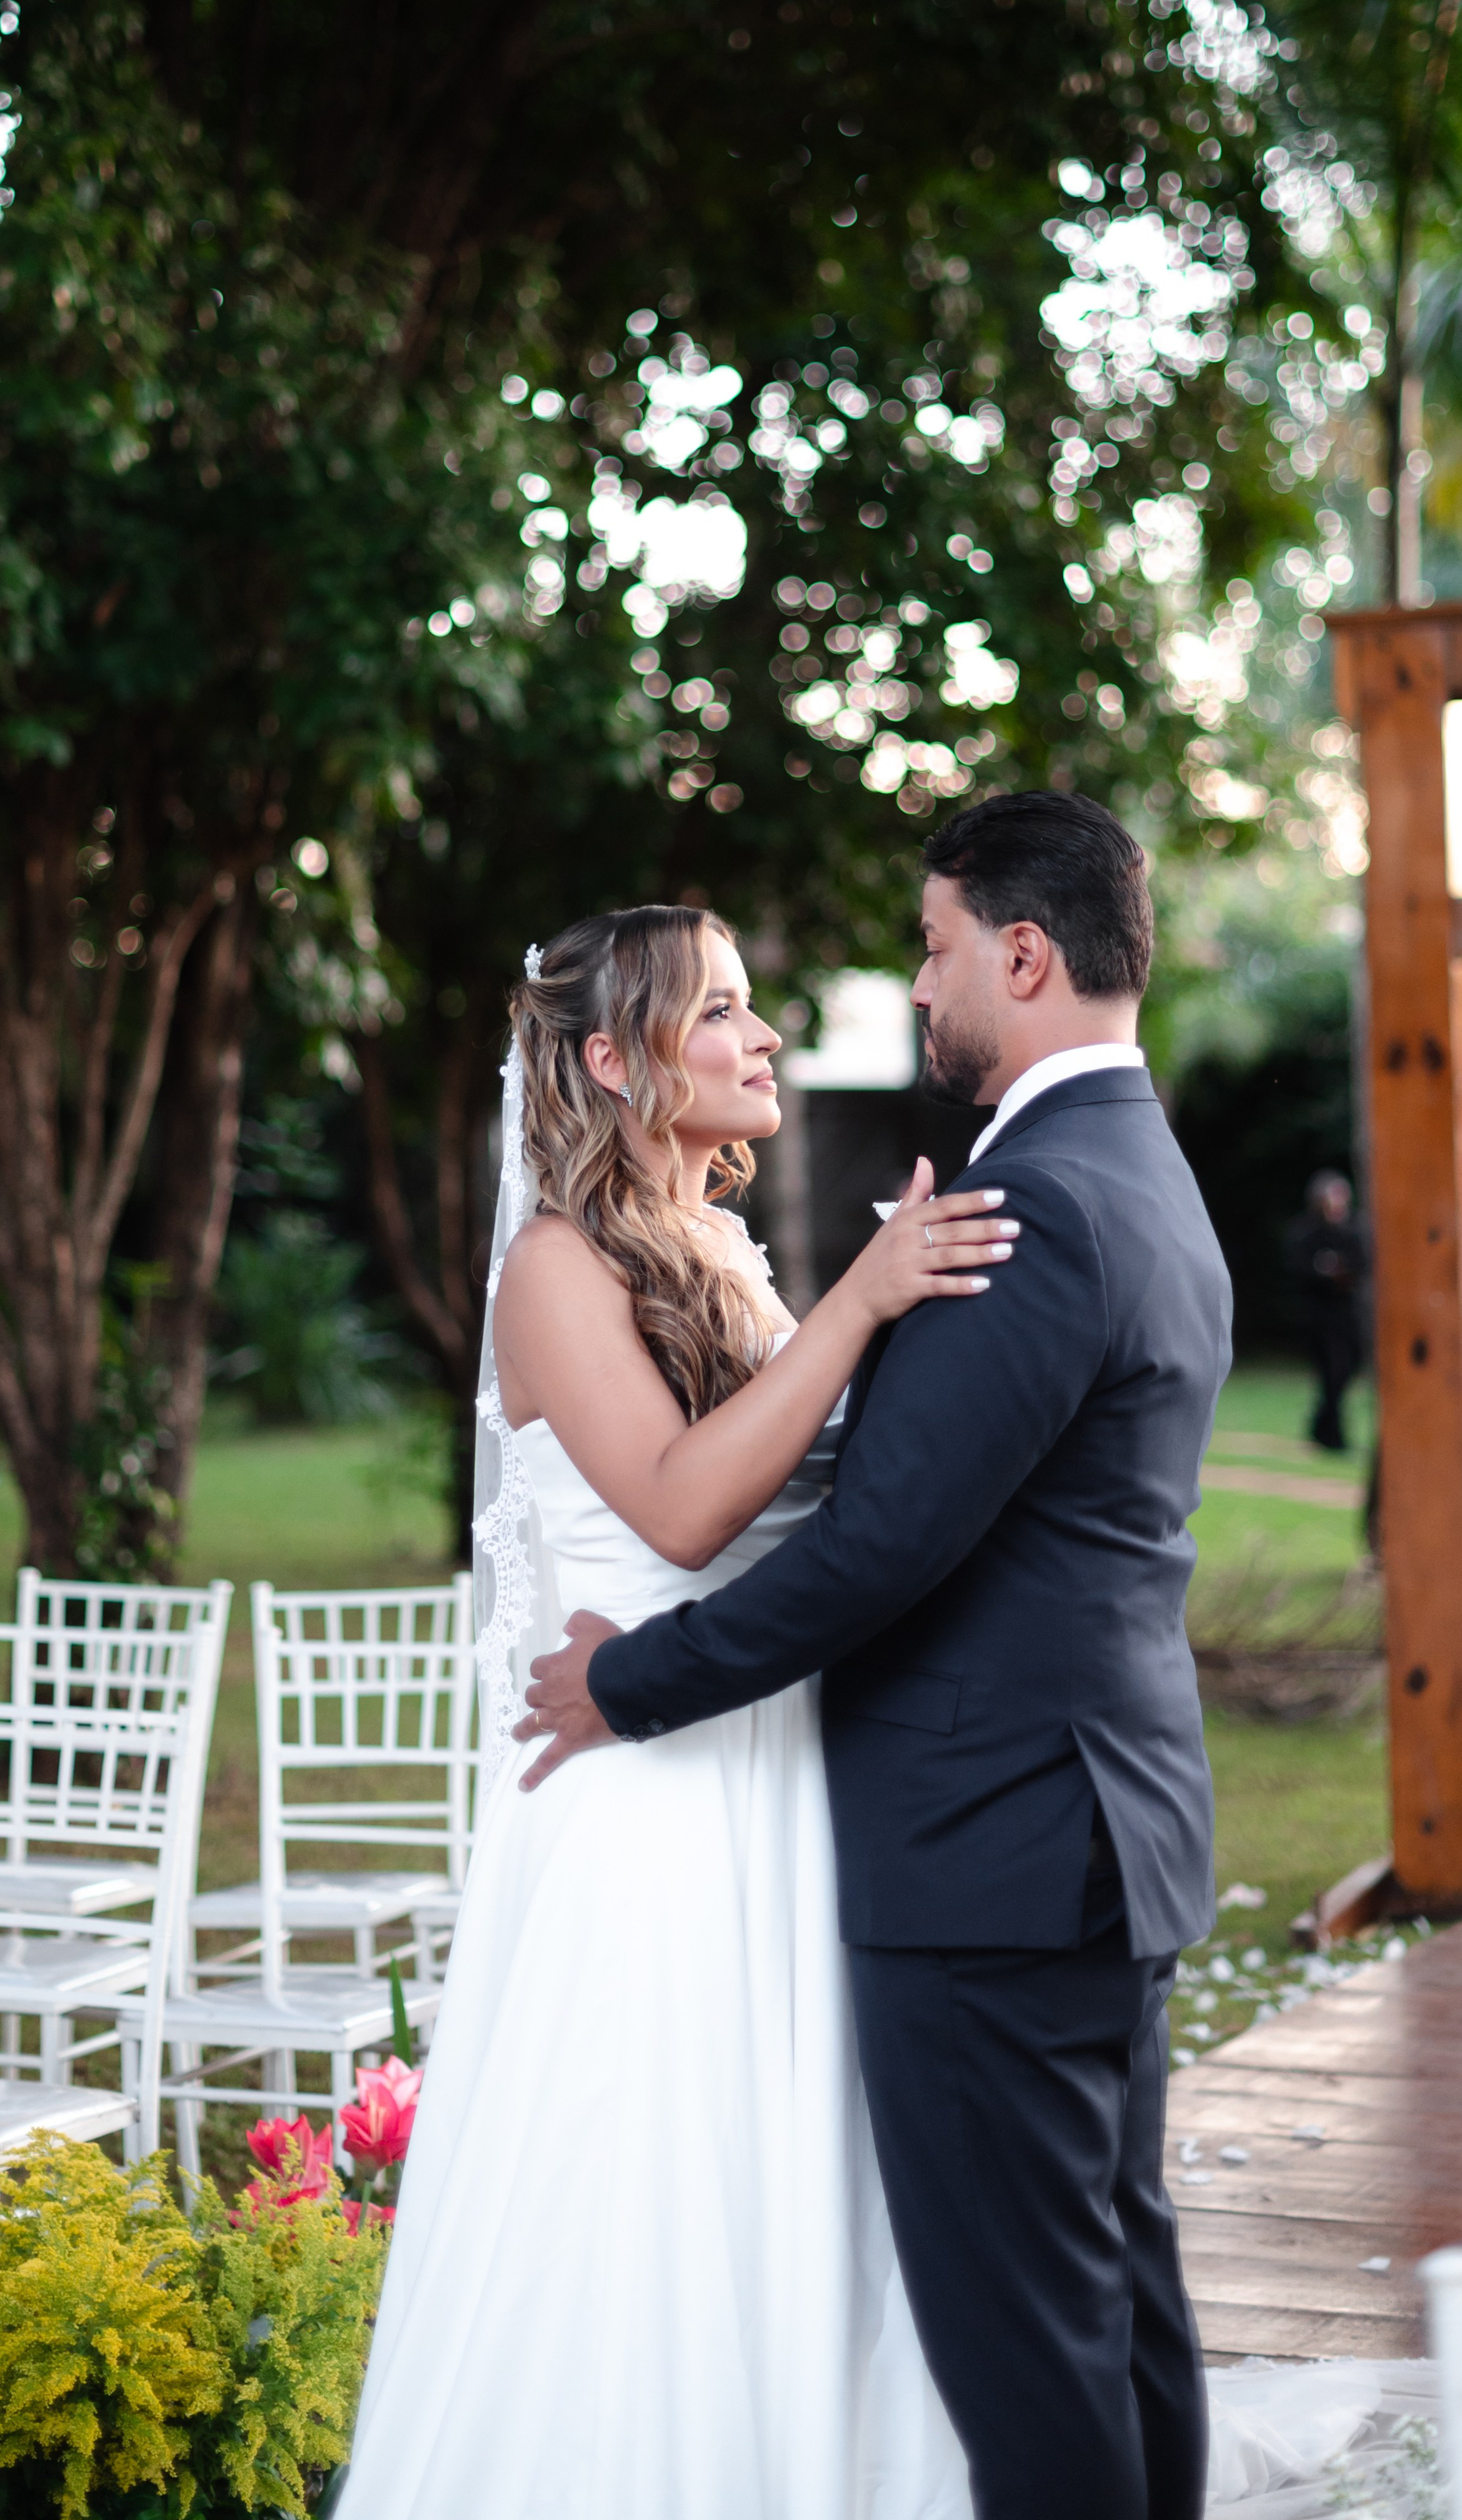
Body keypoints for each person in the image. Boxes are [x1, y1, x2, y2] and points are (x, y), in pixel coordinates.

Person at [524, 792, 1234, 2520]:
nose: (914, 988)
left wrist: (634, 1681)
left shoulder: (1034, 1202)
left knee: (1036, 2348)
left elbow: (885, 1546)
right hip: (1076, 1830)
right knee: (1114, 2304)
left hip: (994, 1856)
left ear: (1022, 952)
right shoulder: (1129, 1166)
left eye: (929, 949)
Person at [338, 902, 1011, 2520]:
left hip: (765, 1768)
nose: (761, 1034)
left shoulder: (713, 1249)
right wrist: (858, 1303)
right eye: (717, 1010)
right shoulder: (552, 1268)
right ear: (607, 1057)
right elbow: (680, 1509)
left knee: (774, 2177)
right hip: (632, 1795)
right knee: (644, 2182)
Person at [1285, 1169, 1368, 1454]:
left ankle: (1321, 1426)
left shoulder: (1355, 1231)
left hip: (1347, 1315)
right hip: (1319, 1317)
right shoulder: (1305, 1233)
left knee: (1345, 1371)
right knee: (1332, 1372)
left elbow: (1364, 1267)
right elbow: (1299, 1270)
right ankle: (1333, 1435)